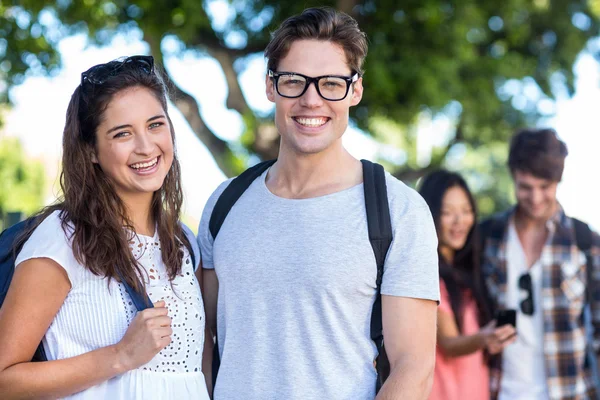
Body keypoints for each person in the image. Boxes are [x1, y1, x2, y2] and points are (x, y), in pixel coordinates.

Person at [198, 7, 439, 400]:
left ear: (355, 90)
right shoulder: (225, 203)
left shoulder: (399, 211)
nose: (312, 100)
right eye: (294, 81)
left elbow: (414, 368)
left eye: (330, 83)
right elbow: (201, 335)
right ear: (271, 87)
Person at [0, 55, 210, 399]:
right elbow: (4, 379)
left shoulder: (184, 241)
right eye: (122, 133)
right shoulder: (63, 238)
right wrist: (120, 356)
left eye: (155, 125)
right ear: (92, 150)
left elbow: (197, 369)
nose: (145, 146)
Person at [480, 128, 600, 399]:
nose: (535, 198)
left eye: (544, 187)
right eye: (525, 187)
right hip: (499, 390)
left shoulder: (585, 240)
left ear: (559, 180)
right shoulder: (488, 236)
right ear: (513, 178)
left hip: (570, 391)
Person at [418, 170, 516, 400]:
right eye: (447, 213)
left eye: (466, 211)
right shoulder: (426, 272)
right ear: (430, 214)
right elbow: (448, 343)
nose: (459, 221)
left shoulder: (467, 273)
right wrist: (484, 337)